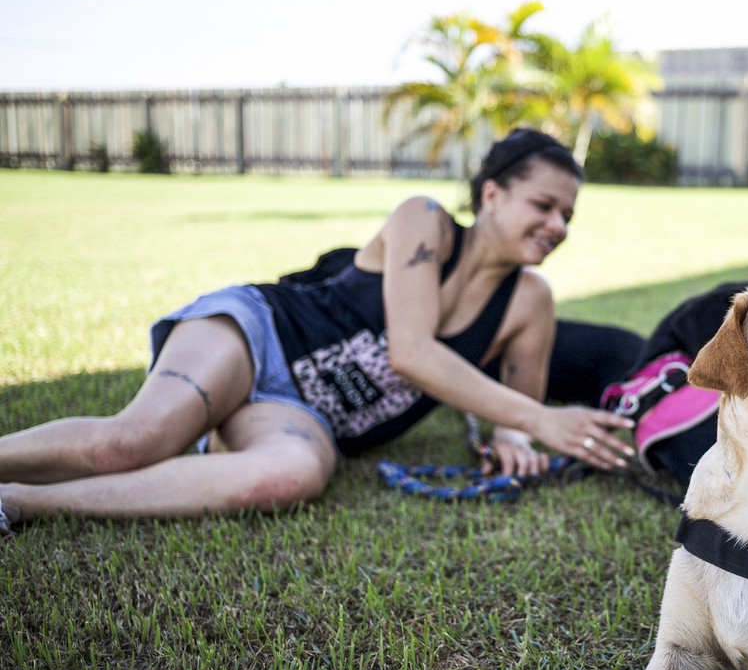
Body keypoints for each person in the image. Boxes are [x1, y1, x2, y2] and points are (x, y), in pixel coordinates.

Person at [0, 129, 634, 530]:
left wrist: (516, 434)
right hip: (261, 335)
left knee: (290, 476)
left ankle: (21, 503)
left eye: (568, 215)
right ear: (492, 194)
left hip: (306, 416)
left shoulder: (530, 300)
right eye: (544, 205)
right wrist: (545, 419)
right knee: (131, 443)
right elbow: (411, 353)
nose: (558, 225)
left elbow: (514, 413)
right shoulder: (426, 221)